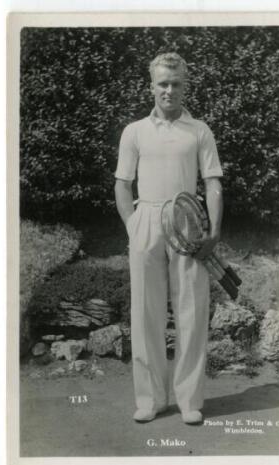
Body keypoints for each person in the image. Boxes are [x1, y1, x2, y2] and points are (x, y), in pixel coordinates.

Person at [114, 53, 223, 425]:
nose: (169, 90)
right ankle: (151, 399)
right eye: (163, 83)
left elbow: (212, 183)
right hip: (146, 219)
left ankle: (189, 400)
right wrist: (133, 225)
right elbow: (122, 184)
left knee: (192, 310)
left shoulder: (200, 131)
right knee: (146, 312)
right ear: (152, 86)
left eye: (176, 84)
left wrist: (215, 231)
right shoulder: (134, 131)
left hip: (188, 221)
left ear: (185, 86)